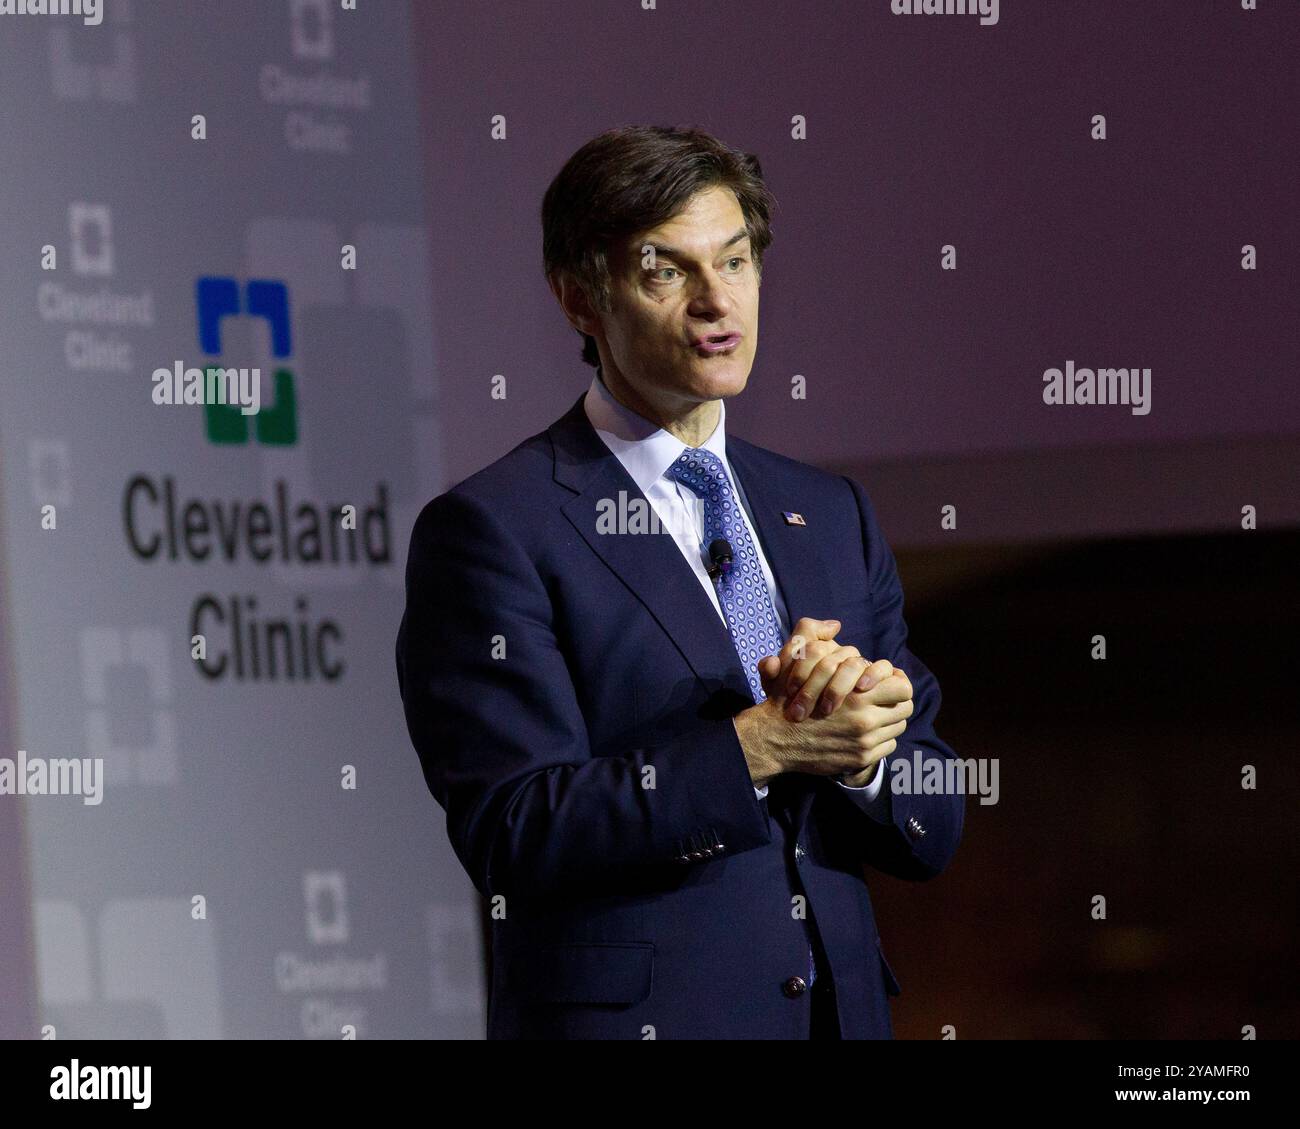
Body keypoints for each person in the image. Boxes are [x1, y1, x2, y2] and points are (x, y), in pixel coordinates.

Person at [396, 125, 964, 1039]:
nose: (717, 302)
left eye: (735, 262)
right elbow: (515, 829)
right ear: (581, 298)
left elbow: (935, 812)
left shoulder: (828, 512)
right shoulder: (496, 529)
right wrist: (760, 747)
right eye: (668, 273)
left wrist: (861, 754)